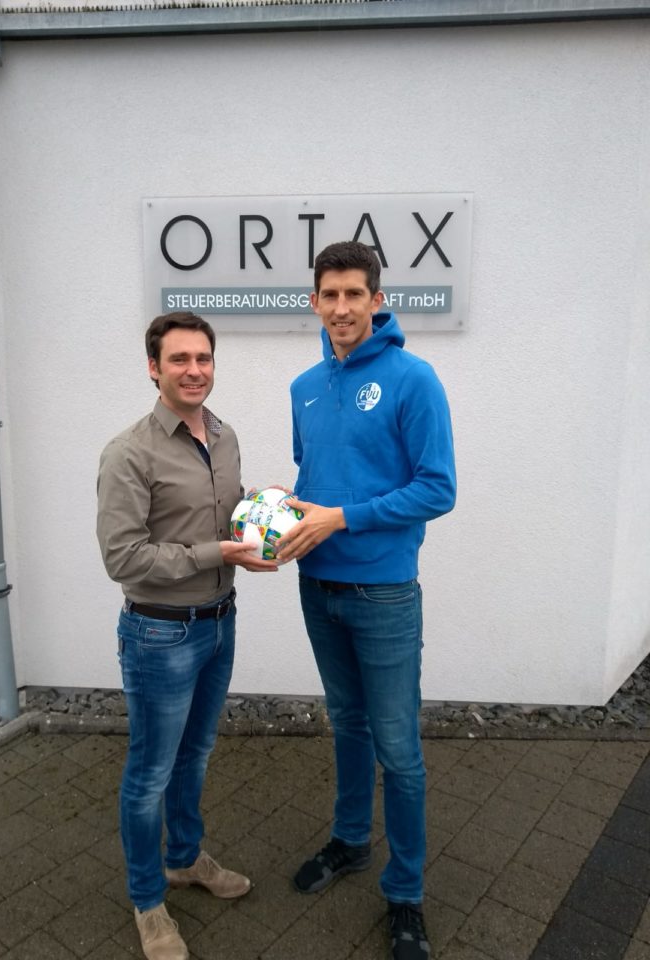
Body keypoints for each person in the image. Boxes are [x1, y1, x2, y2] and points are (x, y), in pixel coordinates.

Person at [277, 241, 456, 960]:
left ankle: (405, 892)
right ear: (314, 302)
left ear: (377, 300)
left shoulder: (415, 380)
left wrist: (341, 518)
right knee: (346, 725)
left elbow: (437, 488)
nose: (342, 307)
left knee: (399, 750)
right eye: (330, 295)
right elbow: (316, 478)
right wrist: (285, 512)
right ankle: (351, 840)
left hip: (383, 592)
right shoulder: (304, 386)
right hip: (317, 586)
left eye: (355, 294)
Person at [97, 312, 276, 960]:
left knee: (194, 756)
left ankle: (184, 859)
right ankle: (148, 901)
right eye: (179, 359)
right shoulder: (129, 452)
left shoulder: (224, 437)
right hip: (160, 635)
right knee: (150, 772)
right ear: (154, 368)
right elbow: (123, 557)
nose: (194, 370)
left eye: (203, 358)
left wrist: (263, 513)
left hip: (220, 623)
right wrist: (215, 554)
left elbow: (222, 515)